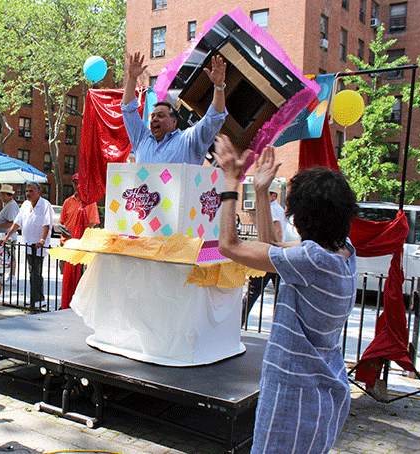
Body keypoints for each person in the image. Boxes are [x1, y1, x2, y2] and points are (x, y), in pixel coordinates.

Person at [214, 135, 358, 454]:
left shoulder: (312, 260)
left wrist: (231, 181)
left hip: (296, 395)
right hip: (324, 390)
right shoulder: (343, 253)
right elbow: (272, 251)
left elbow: (230, 246)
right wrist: (261, 193)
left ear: (302, 218)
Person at [121, 52, 227, 164]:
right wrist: (132, 78)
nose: (155, 119)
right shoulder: (141, 139)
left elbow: (214, 118)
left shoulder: (188, 140)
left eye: (161, 115)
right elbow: (128, 109)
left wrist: (219, 87)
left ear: (174, 121)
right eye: (153, 116)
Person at [241, 179, 286, 325]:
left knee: (252, 292)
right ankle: (279, 326)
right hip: (276, 256)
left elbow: (277, 231)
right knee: (280, 296)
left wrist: (270, 248)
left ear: (273, 196)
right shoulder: (277, 208)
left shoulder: (271, 209)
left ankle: (237, 324)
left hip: (268, 255)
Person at [0, 182, 52, 309]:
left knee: (36, 271)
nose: (28, 194)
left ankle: (38, 299)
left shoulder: (45, 205)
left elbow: (47, 224)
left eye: (31, 191)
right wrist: (6, 237)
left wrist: (42, 240)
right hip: (28, 243)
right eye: (27, 191)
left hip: (39, 245)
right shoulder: (25, 204)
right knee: (31, 271)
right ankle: (36, 298)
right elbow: (17, 223)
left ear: (38, 192)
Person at [59, 173, 99, 246]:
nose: (78, 186)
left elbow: (92, 223)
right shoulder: (67, 201)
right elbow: (61, 222)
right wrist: (64, 231)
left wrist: (78, 237)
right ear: (72, 184)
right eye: (75, 183)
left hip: (81, 243)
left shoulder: (91, 202)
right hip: (66, 242)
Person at [0, 184, 20, 284]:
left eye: (1, 195)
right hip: (4, 236)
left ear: (6, 195)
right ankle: (1, 276)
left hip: (8, 236)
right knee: (3, 257)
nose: (0, 197)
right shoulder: (9, 204)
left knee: (10, 257)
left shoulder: (11, 205)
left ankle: (11, 277)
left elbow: (12, 223)